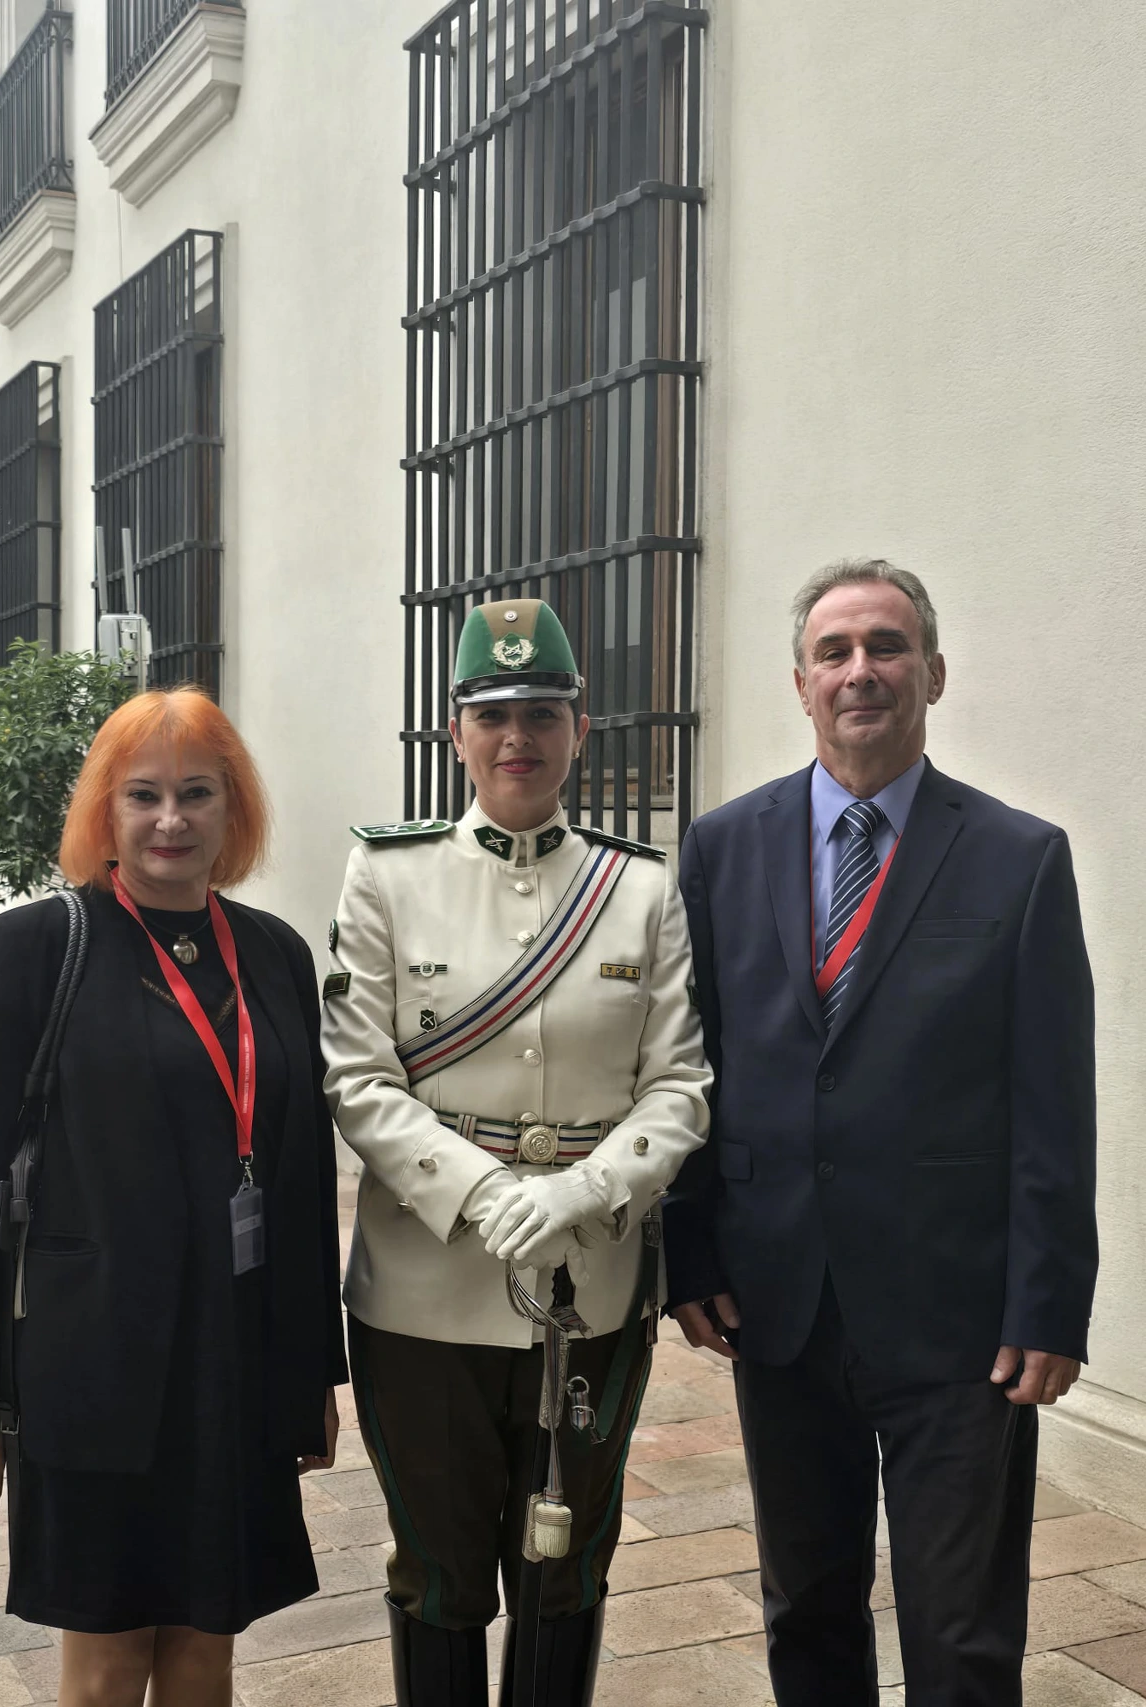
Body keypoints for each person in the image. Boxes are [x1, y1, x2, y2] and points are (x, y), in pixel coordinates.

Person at [665, 559, 1097, 1707]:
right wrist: (688, 1250)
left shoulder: (1016, 858)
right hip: (778, 1301)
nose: (862, 671)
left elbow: (1054, 1100)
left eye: (887, 647)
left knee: (958, 1632)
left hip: (957, 1320)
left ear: (933, 673)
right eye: (835, 652)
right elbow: (689, 1066)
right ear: (798, 684)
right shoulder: (720, 850)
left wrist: (1047, 1301)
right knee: (804, 1606)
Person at [319, 598, 710, 1707]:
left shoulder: (636, 889)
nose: (516, 738)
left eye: (540, 712)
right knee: (438, 1565)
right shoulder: (385, 877)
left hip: (590, 1280)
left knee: (566, 1561)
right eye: (491, 715)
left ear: (579, 728)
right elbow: (356, 1077)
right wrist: (486, 1192)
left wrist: (589, 1188)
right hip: (423, 1292)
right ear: (455, 732)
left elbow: (679, 1082)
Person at [0, 687, 347, 1707]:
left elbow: (299, 1177)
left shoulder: (275, 954)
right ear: (104, 812)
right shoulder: (36, 949)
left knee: (207, 1649)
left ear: (231, 809)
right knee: (110, 1661)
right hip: (92, 1364)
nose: (171, 821)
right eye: (144, 795)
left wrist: (308, 1371)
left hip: (234, 1361)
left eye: (197, 794)